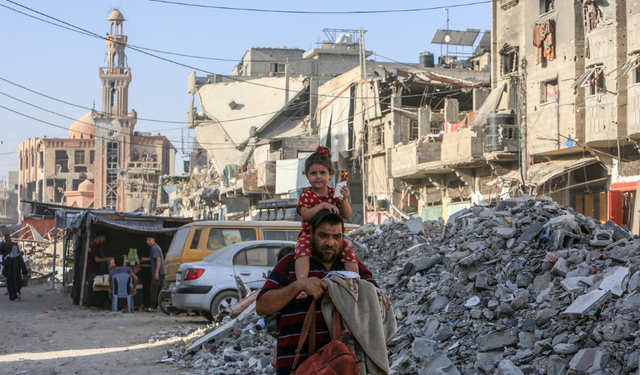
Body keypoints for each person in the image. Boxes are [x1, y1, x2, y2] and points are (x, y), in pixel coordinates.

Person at [256, 209, 379, 374]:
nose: (330, 243)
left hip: (340, 366)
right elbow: (262, 306)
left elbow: (376, 299)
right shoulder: (290, 264)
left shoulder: (351, 265)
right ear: (311, 234)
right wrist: (298, 285)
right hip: (295, 366)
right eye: (323, 236)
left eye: (337, 237)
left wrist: (342, 289)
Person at [294, 146, 357, 299]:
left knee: (349, 252)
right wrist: (321, 206)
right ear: (307, 176)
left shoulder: (335, 193)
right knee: (302, 251)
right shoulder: (306, 194)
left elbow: (346, 214)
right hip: (310, 234)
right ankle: (301, 285)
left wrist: (345, 199)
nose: (318, 177)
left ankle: (354, 283)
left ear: (330, 174)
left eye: (322, 173)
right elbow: (306, 214)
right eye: (313, 173)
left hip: (333, 234)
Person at [84, 231, 114, 309]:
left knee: (91, 286)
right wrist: (109, 258)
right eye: (103, 238)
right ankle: (88, 304)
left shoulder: (95, 245)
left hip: (94, 268)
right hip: (92, 269)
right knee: (90, 286)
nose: (104, 240)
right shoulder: (93, 246)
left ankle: (92, 303)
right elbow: (97, 259)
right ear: (99, 237)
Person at [144, 235, 165, 313]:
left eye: (149, 240)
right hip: (162, 271)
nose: (147, 242)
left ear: (153, 239)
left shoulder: (154, 248)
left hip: (158, 272)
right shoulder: (156, 247)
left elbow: (158, 259)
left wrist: (156, 272)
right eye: (147, 240)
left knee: (154, 289)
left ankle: (153, 307)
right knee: (161, 289)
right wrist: (147, 259)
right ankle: (162, 306)